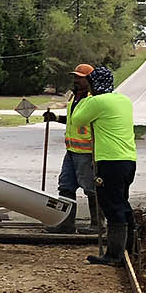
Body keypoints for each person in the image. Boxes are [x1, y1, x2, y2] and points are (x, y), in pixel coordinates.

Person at [62, 65, 137, 266]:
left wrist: (88, 100)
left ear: (94, 84)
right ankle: (131, 249)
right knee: (122, 203)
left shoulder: (97, 101)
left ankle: (114, 255)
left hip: (109, 161)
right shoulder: (124, 100)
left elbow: (78, 120)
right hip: (128, 159)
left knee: (112, 207)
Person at [42, 64, 99, 235]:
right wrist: (56, 118)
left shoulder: (93, 99)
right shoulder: (74, 98)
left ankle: (97, 224)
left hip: (87, 153)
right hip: (72, 151)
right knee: (66, 186)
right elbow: (73, 120)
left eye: (80, 78)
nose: (76, 80)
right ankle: (66, 223)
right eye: (75, 77)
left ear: (89, 80)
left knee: (90, 189)